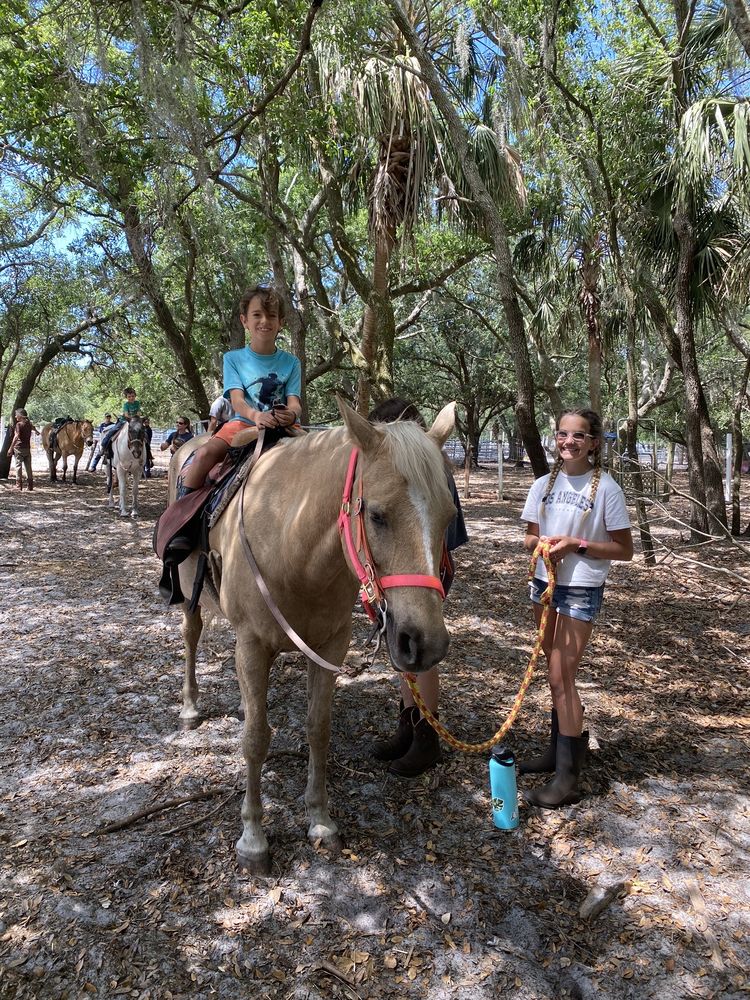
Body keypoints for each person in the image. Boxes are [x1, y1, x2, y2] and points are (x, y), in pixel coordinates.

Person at [520, 407, 633, 808]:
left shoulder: (606, 490)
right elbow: (529, 539)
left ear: (594, 443)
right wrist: (545, 545)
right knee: (555, 675)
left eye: (579, 436)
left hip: (580, 588)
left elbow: (624, 549)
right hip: (544, 584)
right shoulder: (541, 485)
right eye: (563, 434)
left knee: (560, 676)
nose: (569, 442)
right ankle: (559, 750)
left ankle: (567, 779)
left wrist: (576, 545)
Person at [369, 397, 468, 778]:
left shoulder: (426, 468)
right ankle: (408, 724)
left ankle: (427, 736)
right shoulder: (417, 464)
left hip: (422, 571)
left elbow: (443, 527)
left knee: (422, 650)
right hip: (405, 572)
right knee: (405, 650)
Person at [175, 285, 301, 497]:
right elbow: (237, 401)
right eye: (257, 315)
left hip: (284, 427)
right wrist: (257, 416)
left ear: (281, 323)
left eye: (271, 316)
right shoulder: (233, 359)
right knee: (204, 454)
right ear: (245, 321)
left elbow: (294, 401)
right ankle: (183, 518)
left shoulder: (291, 362)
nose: (264, 321)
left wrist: (292, 414)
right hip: (243, 423)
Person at [99, 388, 142, 463]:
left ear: (135, 396)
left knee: (144, 433)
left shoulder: (137, 403)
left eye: (132, 396)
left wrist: (136, 419)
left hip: (134, 422)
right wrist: (133, 418)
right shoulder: (126, 404)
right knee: (112, 431)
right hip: (124, 421)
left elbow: (138, 413)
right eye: (129, 396)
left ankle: (148, 455)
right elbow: (126, 415)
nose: (131, 398)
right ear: (127, 397)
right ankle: (104, 447)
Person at [7, 408, 34, 491]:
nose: (15, 417)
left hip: (19, 448)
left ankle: (19, 486)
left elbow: (16, 436)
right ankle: (30, 486)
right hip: (27, 449)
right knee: (28, 467)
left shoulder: (19, 424)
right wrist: (36, 431)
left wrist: (11, 448)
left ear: (20, 416)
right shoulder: (29, 424)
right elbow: (33, 427)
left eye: (16, 415)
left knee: (18, 466)